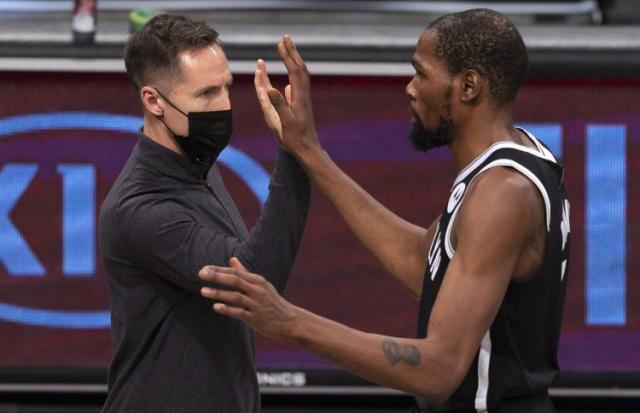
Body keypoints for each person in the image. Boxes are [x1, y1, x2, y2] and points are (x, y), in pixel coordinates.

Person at [198, 9, 571, 413]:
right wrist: (307, 150)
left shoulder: (502, 192)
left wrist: (289, 321)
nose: (410, 88)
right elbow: (421, 263)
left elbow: (438, 370)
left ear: (468, 86)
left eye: (421, 74)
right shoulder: (519, 158)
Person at [98, 14, 310, 412]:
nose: (224, 105)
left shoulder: (200, 166)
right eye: (207, 94)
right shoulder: (139, 208)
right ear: (153, 101)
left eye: (226, 86)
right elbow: (256, 280)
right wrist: (295, 154)